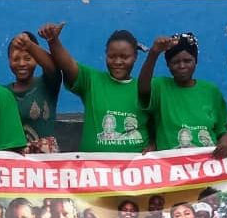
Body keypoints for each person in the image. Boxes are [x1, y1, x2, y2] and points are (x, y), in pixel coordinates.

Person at [42, 22, 150, 152]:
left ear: (135, 57)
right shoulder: (92, 80)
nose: (117, 62)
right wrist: (53, 41)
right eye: (112, 56)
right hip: (93, 165)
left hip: (135, 164)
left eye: (124, 57)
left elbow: (158, 123)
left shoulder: (145, 88)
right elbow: (68, 65)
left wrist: (154, 145)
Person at [138, 33, 227, 156]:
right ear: (168, 65)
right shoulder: (160, 86)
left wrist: (226, 143)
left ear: (195, 61)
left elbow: (221, 131)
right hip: (172, 164)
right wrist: (154, 54)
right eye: (175, 62)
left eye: (187, 61)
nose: (182, 66)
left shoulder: (210, 90)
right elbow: (143, 89)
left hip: (207, 163)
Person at [7, 32, 63, 153]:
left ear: (37, 60)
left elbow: (53, 68)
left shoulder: (47, 84)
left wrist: (30, 46)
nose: (22, 64)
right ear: (9, 61)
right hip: (14, 162)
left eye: (28, 58)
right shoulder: (2, 93)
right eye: (16, 59)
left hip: (45, 161)